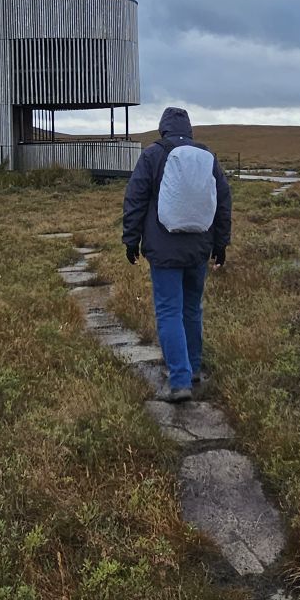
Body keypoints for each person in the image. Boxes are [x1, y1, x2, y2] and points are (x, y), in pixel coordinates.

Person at [122, 106, 232, 401]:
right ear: (190, 130)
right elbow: (223, 200)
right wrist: (220, 244)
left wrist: (131, 240)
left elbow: (135, 197)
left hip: (163, 248)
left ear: (163, 129)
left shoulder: (152, 155)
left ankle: (180, 380)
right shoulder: (206, 156)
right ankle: (193, 369)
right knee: (191, 310)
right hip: (199, 248)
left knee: (169, 310)